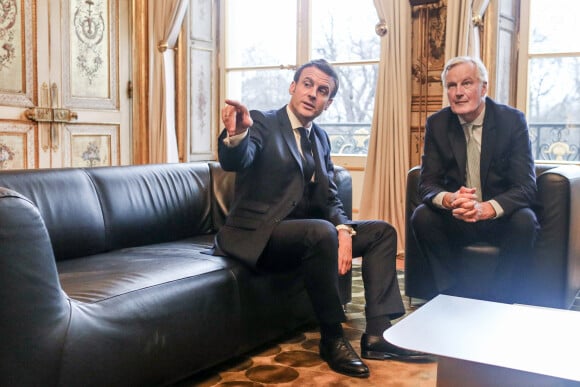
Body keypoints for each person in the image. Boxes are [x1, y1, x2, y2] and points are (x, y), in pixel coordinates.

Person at [214, 59, 431, 378]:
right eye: (307, 84)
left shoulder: (321, 139)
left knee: (381, 232)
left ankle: (378, 334)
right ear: (293, 87)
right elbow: (238, 159)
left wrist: (343, 229)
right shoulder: (261, 122)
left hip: (306, 233)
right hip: (258, 234)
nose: (313, 93)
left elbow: (329, 195)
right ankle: (332, 338)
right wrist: (236, 136)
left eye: (323, 90)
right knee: (320, 232)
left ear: (328, 103)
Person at [411, 56, 539, 303]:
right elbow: (427, 183)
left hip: (499, 218)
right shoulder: (437, 124)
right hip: (457, 217)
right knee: (422, 216)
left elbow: (526, 186)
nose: (458, 92)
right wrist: (450, 200)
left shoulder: (511, 121)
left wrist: (487, 208)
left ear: (484, 88)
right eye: (451, 86)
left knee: (526, 221)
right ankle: (451, 295)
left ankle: (500, 300)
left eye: (466, 83)